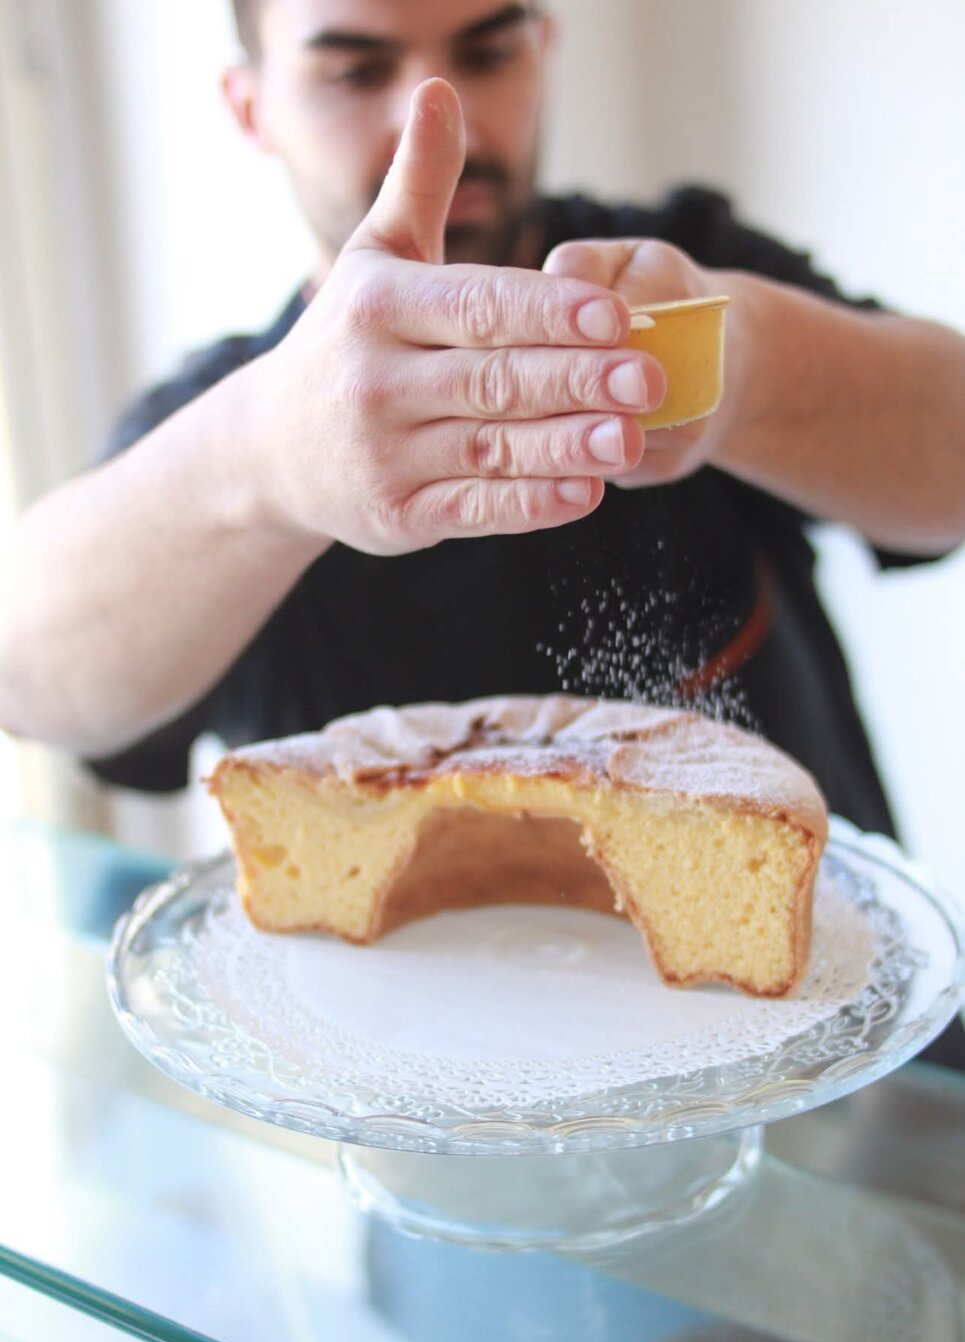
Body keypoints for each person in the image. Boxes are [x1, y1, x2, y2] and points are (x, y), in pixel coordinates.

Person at [0, 1, 962, 1052]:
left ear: (541, 55)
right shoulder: (223, 422)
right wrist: (254, 465)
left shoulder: (685, 278)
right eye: (353, 69)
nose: (434, 122)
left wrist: (743, 371)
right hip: (430, 1141)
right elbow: (29, 672)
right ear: (250, 106)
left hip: (831, 1088)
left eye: (485, 50)